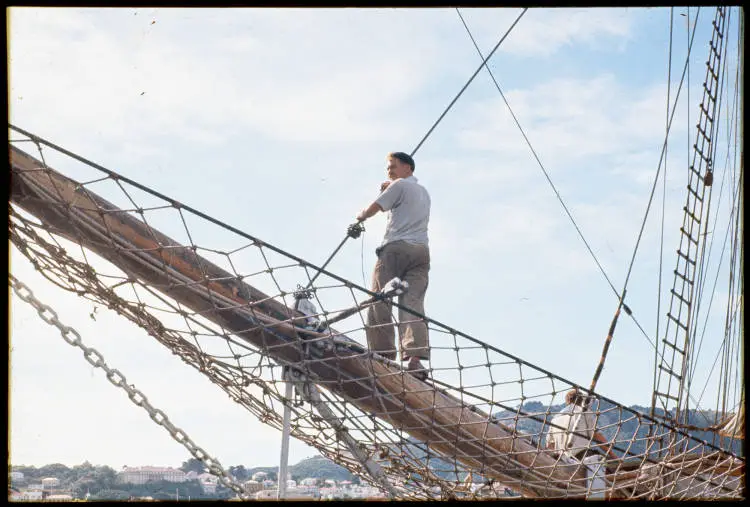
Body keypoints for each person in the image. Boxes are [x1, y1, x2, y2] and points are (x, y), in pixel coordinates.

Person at [355, 151, 431, 380]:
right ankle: (415, 359)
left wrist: (360, 217)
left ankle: (383, 355)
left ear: (408, 168)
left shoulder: (398, 186)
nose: (389, 171)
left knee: (379, 298)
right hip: (421, 253)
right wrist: (390, 188)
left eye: (393, 167)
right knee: (412, 304)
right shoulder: (424, 192)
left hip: (395, 249)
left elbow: (375, 207)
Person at [546, 389, 618, 461]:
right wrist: (613, 456)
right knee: (606, 463)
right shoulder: (584, 412)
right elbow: (597, 436)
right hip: (582, 457)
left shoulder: (554, 419)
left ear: (567, 402)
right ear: (582, 400)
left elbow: (549, 445)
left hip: (562, 460)